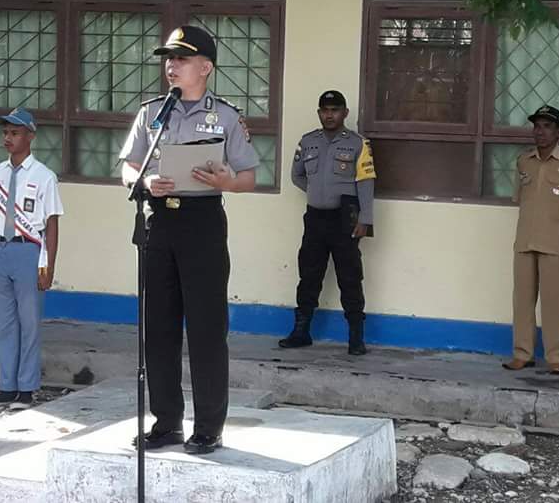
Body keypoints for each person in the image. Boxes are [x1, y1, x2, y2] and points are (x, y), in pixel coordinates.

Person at [120, 25, 259, 454]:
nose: (171, 65)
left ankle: (209, 426)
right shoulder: (152, 114)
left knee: (205, 328)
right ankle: (166, 423)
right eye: (168, 58)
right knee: (158, 329)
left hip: (202, 225)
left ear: (205, 67)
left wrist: (227, 180)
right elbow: (128, 168)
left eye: (181, 59)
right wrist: (144, 183)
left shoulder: (229, 117)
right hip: (158, 222)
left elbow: (249, 178)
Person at [0, 107, 63, 410]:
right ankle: (6, 387)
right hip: (2, 250)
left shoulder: (44, 176)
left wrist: (46, 264)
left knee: (29, 323)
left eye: (14, 133)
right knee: (4, 324)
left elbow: (51, 223)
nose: (7, 138)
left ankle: (26, 389)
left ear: (30, 136)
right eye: (5, 133)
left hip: (29, 250)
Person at [279, 90, 376, 355]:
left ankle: (356, 337)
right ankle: (301, 331)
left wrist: (365, 219)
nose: (329, 114)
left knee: (350, 277)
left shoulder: (358, 144)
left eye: (334, 110)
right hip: (315, 219)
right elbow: (297, 176)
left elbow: (366, 183)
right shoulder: (308, 142)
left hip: (344, 220)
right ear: (319, 112)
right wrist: (317, 192)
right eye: (324, 110)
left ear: (344, 113)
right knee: (309, 274)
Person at [502, 105, 559, 376]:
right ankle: (522, 354)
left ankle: (555, 358)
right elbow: (521, 199)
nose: (540, 132)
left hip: (556, 243)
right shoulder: (523, 161)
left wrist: (554, 221)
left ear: (558, 131)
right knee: (522, 302)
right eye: (537, 126)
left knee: (553, 302)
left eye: (547, 126)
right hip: (525, 241)